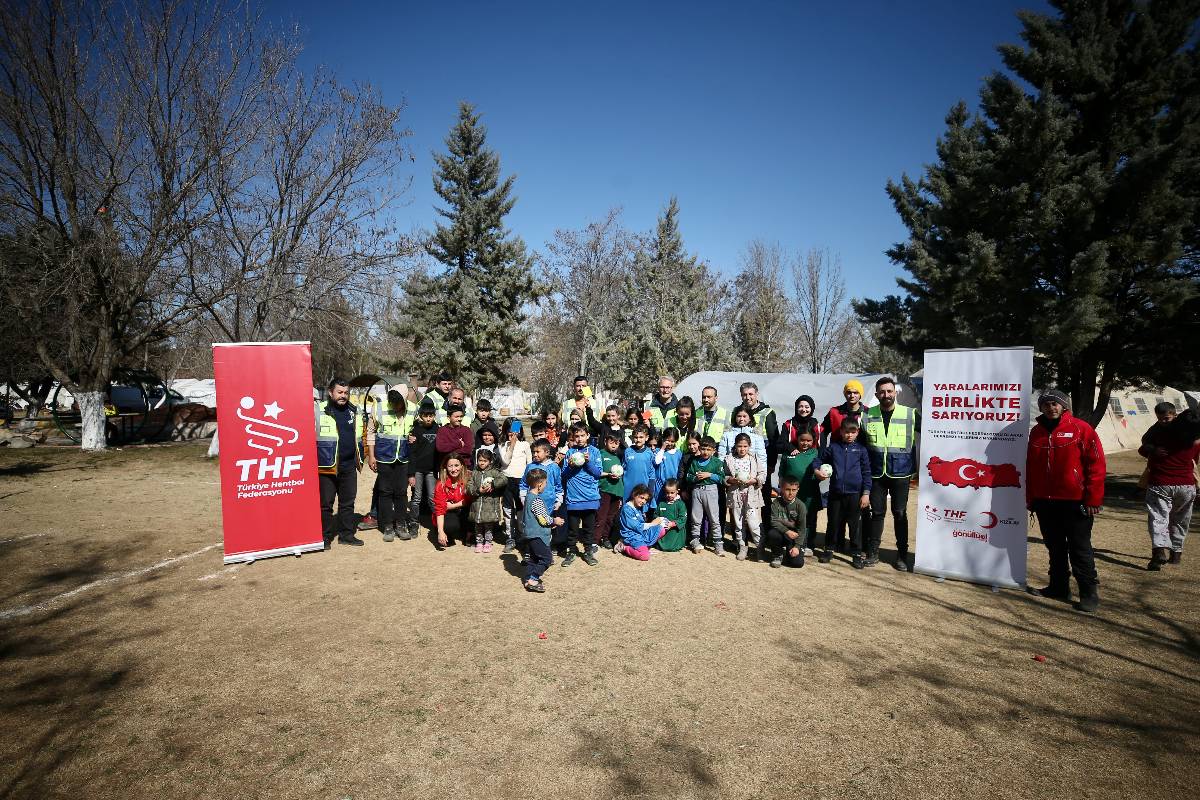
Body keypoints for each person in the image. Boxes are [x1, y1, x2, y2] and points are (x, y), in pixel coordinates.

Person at [1026, 389, 1106, 613]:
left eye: (1055, 404)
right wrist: (1031, 497)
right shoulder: (1036, 432)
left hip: (1075, 500)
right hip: (1045, 500)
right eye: (1046, 404)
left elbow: (1096, 465)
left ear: (1063, 406)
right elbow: (1031, 467)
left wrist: (1093, 498)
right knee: (1055, 547)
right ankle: (1058, 587)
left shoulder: (1081, 428)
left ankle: (1088, 592)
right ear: (1041, 408)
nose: (1051, 408)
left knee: (1079, 548)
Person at [864, 377, 919, 570]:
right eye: (882, 392)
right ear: (877, 394)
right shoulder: (867, 415)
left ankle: (902, 556)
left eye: (889, 391)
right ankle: (873, 552)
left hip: (901, 473)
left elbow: (933, 434)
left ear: (895, 392)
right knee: (877, 513)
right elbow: (862, 445)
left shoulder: (911, 414)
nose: (886, 395)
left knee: (900, 514)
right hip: (877, 473)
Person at [1140, 405, 1200, 569]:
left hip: (1161, 483)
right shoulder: (1196, 441)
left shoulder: (1160, 435)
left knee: (1159, 518)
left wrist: (1152, 450)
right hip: (1187, 486)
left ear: (1176, 417)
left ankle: (1159, 551)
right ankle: (1176, 554)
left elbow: (1143, 449)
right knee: (1181, 520)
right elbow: (1195, 461)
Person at [315, 377, 366, 548]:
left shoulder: (354, 410)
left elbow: (361, 436)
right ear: (330, 393)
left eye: (346, 393)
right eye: (340, 392)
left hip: (349, 465)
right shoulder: (318, 410)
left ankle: (346, 535)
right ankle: (324, 537)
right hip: (326, 466)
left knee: (347, 503)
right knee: (326, 504)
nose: (343, 396)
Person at [818, 417, 872, 568]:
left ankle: (856, 553)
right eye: (846, 432)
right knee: (833, 523)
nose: (849, 435)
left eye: (852, 432)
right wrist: (817, 470)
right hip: (835, 493)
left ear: (857, 432)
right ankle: (829, 549)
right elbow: (819, 459)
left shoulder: (861, 450)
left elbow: (867, 472)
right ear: (841, 432)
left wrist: (866, 493)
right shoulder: (834, 448)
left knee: (855, 526)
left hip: (855, 494)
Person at [365, 389, 414, 542]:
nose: (396, 407)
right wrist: (371, 456)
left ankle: (400, 524)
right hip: (384, 457)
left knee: (401, 492)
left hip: (404, 458)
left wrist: (414, 437)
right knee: (385, 492)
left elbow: (416, 429)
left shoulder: (413, 409)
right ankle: (387, 526)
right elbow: (371, 432)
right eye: (393, 404)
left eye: (399, 404)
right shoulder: (378, 407)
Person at [560, 423, 604, 567]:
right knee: (572, 529)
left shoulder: (595, 452)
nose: (579, 439)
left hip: (590, 497)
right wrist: (572, 465)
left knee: (588, 529)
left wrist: (588, 462)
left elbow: (597, 473)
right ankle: (571, 551)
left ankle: (588, 551)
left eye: (582, 435)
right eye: (576, 436)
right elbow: (564, 475)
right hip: (574, 498)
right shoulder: (569, 452)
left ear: (588, 436)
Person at [778, 428, 822, 555]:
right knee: (791, 518)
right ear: (797, 439)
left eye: (809, 440)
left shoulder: (815, 453)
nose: (805, 443)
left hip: (810, 493)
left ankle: (808, 544)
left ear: (813, 441)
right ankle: (791, 543)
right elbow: (782, 471)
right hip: (792, 493)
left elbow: (820, 469)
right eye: (802, 440)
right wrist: (781, 484)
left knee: (809, 519)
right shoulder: (790, 453)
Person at [723, 432, 766, 560]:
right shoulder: (729, 459)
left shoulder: (754, 458)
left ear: (749, 446)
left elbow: (762, 474)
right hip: (736, 495)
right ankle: (742, 547)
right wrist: (731, 479)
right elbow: (724, 475)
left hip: (751, 496)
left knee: (753, 523)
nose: (742, 449)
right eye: (739, 446)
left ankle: (759, 547)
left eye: (745, 446)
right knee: (738, 523)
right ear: (735, 446)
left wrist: (755, 480)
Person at [739, 382, 779, 516]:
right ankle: (746, 530)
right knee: (744, 497)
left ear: (757, 394)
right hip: (743, 463)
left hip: (762, 463)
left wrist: (771, 464)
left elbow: (774, 440)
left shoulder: (767, 412)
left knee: (764, 496)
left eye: (750, 394)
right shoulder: (738, 412)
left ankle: (767, 530)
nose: (747, 397)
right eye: (744, 394)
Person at [521, 468, 561, 592]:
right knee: (547, 558)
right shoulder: (537, 500)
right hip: (537, 535)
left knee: (533, 559)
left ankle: (528, 579)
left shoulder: (528, 496)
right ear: (539, 484)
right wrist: (554, 521)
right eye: (545, 483)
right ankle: (533, 579)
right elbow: (543, 519)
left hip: (529, 534)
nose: (545, 486)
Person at [406, 401, 440, 540]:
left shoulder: (438, 429)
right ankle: (413, 523)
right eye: (425, 415)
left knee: (433, 498)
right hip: (418, 470)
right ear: (420, 416)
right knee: (416, 498)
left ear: (434, 416)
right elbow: (412, 454)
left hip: (432, 471)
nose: (428, 418)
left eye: (431, 415)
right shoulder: (416, 431)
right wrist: (411, 474)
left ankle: (438, 524)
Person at [615, 484, 672, 561]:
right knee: (645, 556)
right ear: (634, 494)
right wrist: (653, 523)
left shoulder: (638, 508)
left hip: (641, 533)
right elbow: (637, 526)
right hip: (632, 536)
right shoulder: (627, 509)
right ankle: (623, 547)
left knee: (662, 528)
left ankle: (645, 546)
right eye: (642, 498)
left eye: (645, 500)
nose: (643, 501)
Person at [687, 436, 724, 554]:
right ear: (699, 448)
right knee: (696, 517)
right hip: (697, 491)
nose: (705, 452)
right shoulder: (694, 461)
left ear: (714, 450)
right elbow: (688, 476)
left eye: (708, 449)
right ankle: (695, 541)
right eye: (703, 449)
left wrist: (710, 475)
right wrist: (695, 478)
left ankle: (718, 544)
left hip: (711, 491)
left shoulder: (717, 462)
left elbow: (722, 478)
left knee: (714, 518)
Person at [500, 418, 532, 553]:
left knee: (521, 509)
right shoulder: (502, 445)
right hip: (507, 479)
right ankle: (510, 537)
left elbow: (529, 463)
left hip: (522, 481)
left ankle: (522, 536)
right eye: (510, 430)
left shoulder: (525, 444)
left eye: (516, 430)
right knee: (508, 509)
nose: (513, 433)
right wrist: (511, 445)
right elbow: (505, 461)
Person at [467, 448, 507, 553]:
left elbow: (503, 479)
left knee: (488, 526)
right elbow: (469, 486)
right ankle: (479, 542)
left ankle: (488, 542)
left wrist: (493, 484)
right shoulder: (475, 472)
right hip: (477, 505)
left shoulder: (494, 471)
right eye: (480, 460)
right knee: (478, 526)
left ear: (490, 461)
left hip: (490, 505)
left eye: (485, 461)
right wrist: (477, 490)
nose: (482, 463)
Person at [767, 475, 807, 568]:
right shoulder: (776, 503)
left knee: (797, 563)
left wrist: (797, 546)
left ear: (798, 490)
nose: (790, 493)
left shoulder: (801, 506)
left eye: (794, 490)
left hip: (795, 535)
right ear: (781, 489)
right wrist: (787, 531)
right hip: (782, 532)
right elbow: (773, 521)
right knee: (772, 534)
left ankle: (794, 551)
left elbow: (802, 529)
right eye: (788, 489)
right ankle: (777, 555)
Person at [432, 455, 471, 550]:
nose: (453, 469)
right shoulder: (440, 484)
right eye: (450, 466)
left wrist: (453, 505)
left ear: (462, 466)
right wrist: (440, 532)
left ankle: (468, 533)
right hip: (448, 514)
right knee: (450, 526)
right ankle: (445, 532)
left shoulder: (469, 479)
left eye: (456, 465)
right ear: (445, 467)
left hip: (463, 509)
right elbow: (440, 509)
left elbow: (471, 500)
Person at [596, 431, 626, 549]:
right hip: (605, 490)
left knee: (610, 517)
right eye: (611, 442)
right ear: (605, 442)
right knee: (601, 516)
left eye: (616, 443)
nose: (614, 445)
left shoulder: (618, 456)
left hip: (617, 491)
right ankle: (595, 540)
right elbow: (596, 471)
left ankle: (605, 538)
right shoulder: (600, 454)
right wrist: (608, 474)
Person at [821, 380, 870, 448]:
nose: (852, 395)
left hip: (860, 455)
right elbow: (822, 432)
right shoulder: (834, 412)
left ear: (860, 394)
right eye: (849, 392)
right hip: (837, 454)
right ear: (845, 394)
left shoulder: (868, 413)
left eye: (856, 393)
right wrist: (822, 451)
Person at [775, 394, 823, 461]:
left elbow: (822, 449)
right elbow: (779, 446)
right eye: (800, 406)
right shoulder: (788, 425)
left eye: (807, 407)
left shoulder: (817, 427)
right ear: (796, 408)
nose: (803, 410)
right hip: (792, 462)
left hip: (812, 463)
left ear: (811, 408)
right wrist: (791, 448)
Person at [621, 424, 656, 502]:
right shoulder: (628, 451)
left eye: (641, 437)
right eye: (636, 437)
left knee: (641, 512)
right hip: (628, 490)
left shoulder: (649, 453)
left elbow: (651, 473)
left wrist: (650, 490)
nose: (638, 440)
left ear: (646, 438)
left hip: (643, 490)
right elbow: (622, 470)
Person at [652, 428, 683, 510]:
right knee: (659, 505)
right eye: (667, 440)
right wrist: (662, 449)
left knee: (671, 506)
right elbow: (657, 461)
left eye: (672, 441)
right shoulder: (659, 451)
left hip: (672, 485)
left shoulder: (678, 453)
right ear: (663, 439)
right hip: (660, 485)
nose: (669, 443)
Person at [656, 478, 688, 552]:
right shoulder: (661, 503)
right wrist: (659, 521)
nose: (669, 495)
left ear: (677, 491)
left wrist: (673, 524)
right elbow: (656, 515)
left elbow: (683, 518)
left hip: (675, 532)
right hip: (663, 531)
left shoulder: (680, 504)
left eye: (672, 493)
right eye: (667, 492)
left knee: (672, 547)